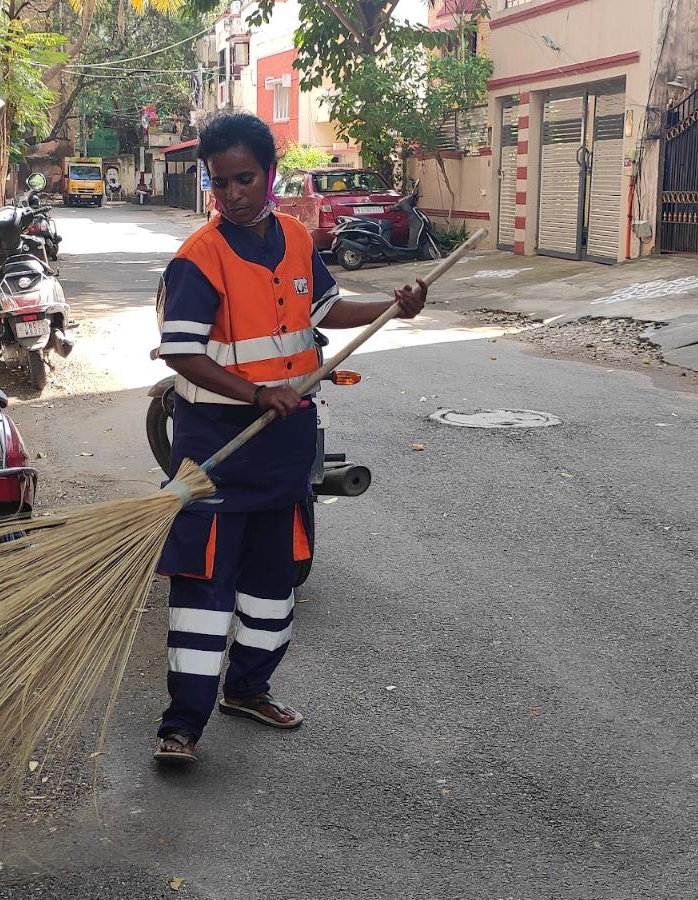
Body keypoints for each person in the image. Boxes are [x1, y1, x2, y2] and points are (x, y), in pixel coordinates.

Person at [151, 112, 426, 765]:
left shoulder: (298, 238)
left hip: (282, 451)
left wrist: (392, 305)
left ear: (270, 175)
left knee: (272, 590)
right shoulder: (198, 260)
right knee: (202, 596)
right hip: (214, 451)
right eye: (221, 184)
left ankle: (248, 689)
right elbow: (181, 353)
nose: (233, 193)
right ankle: (181, 725)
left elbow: (325, 310)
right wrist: (255, 393)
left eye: (245, 178)